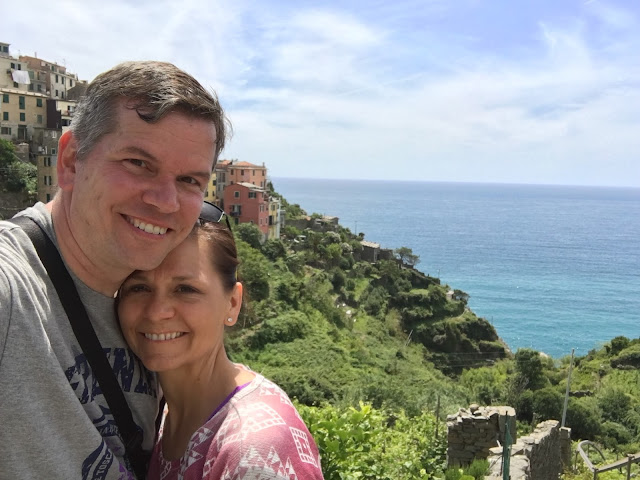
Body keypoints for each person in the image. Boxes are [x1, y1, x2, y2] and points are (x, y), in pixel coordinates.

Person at [0, 61, 228, 479]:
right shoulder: (13, 289)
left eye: (189, 181)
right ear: (71, 161)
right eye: (138, 163)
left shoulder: (144, 313)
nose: (165, 201)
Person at [117, 203, 324, 479]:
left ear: (232, 303)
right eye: (139, 287)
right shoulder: (162, 412)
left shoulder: (256, 451)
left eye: (185, 289)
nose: (156, 312)